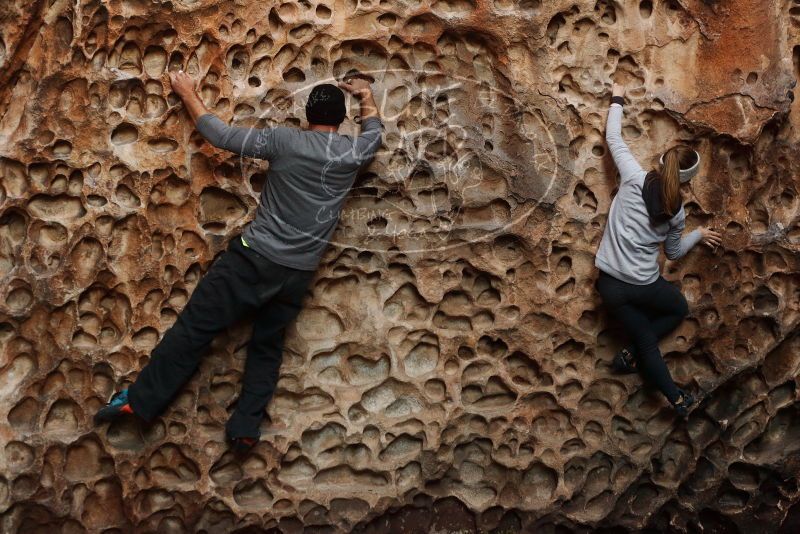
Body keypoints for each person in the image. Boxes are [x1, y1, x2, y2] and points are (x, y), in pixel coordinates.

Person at [94, 71, 382, 453]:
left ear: (306, 113)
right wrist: (364, 93)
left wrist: (187, 92)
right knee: (267, 347)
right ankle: (245, 428)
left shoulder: (286, 140)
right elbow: (374, 131)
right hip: (298, 272)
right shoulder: (353, 152)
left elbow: (222, 136)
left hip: (254, 259)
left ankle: (142, 400)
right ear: (341, 118)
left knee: (195, 328)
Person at [595, 82, 722, 416]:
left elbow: (613, 138)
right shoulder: (676, 214)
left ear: (663, 161)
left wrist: (618, 97)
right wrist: (699, 233)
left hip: (608, 284)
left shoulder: (634, 177)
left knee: (643, 337)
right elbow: (675, 254)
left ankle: (639, 362)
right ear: (686, 180)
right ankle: (672, 394)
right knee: (677, 310)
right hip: (642, 286)